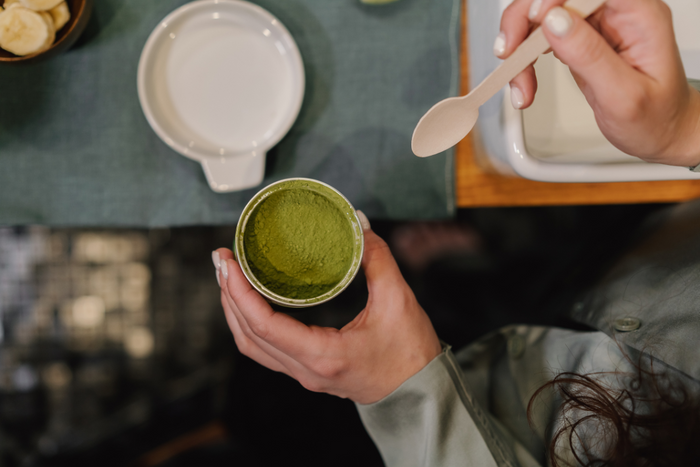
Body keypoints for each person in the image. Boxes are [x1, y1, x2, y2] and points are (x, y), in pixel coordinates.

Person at [212, 0, 700, 465]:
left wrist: (405, 392)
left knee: (269, 419)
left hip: (517, 359)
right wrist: (688, 130)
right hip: (624, 259)